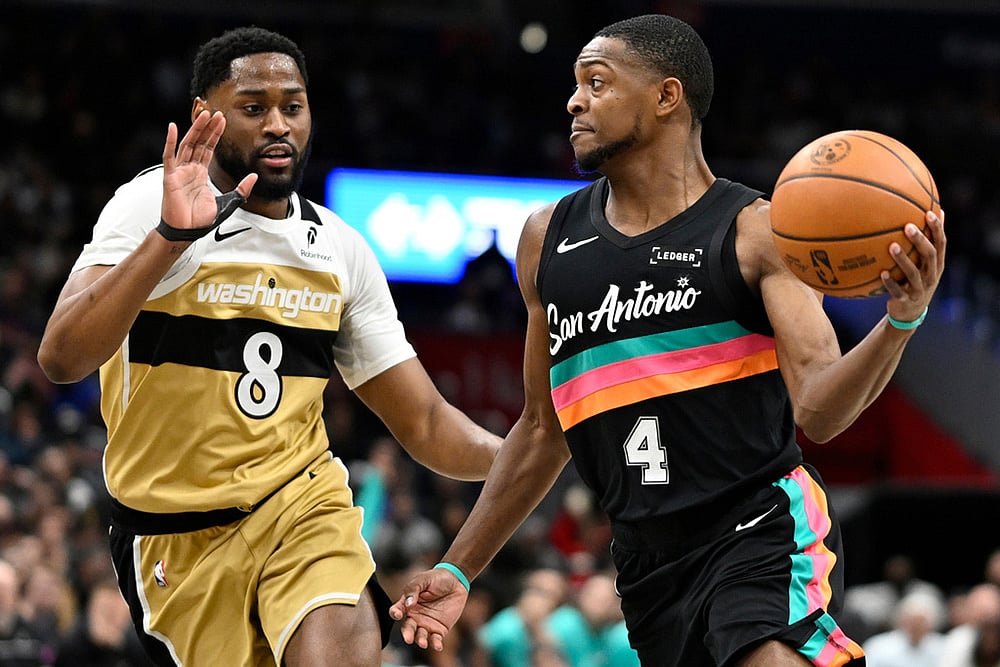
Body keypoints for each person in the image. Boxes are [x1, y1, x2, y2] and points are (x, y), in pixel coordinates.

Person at [389, 13, 946, 667]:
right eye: (575, 85)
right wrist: (457, 570)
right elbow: (542, 431)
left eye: (597, 82)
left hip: (758, 525)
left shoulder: (757, 230)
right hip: (644, 560)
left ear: (666, 96)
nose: (574, 100)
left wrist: (900, 320)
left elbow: (821, 408)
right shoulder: (546, 239)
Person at [36, 26, 500, 667]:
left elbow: (424, 422)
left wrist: (526, 456)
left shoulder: (340, 248)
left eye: (293, 106)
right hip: (175, 536)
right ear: (206, 115)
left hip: (301, 503)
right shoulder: (149, 201)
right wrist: (171, 237)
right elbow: (62, 358)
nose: (278, 124)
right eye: (254, 108)